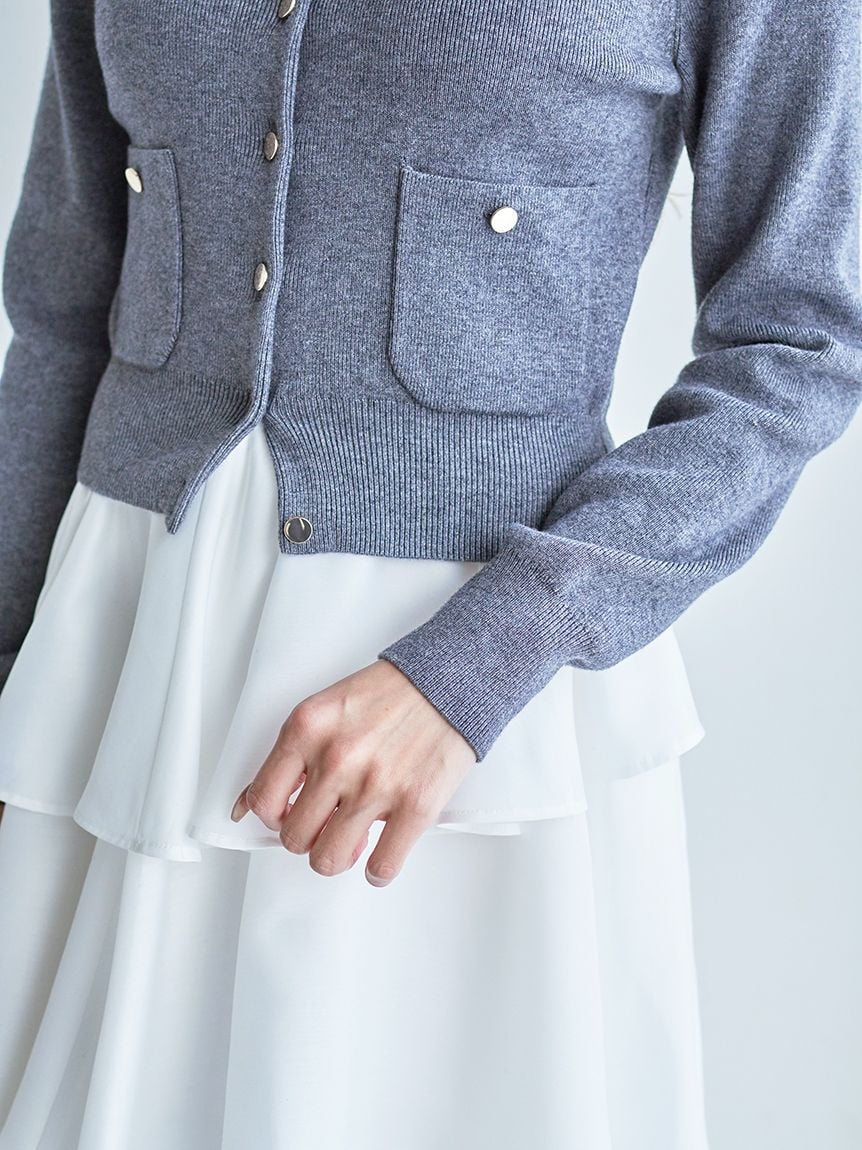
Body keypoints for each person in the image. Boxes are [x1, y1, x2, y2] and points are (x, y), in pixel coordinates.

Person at [1, 2, 860, 1147]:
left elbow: (798, 346)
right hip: (117, 677)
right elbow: (62, 312)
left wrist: (476, 667)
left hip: (472, 722)